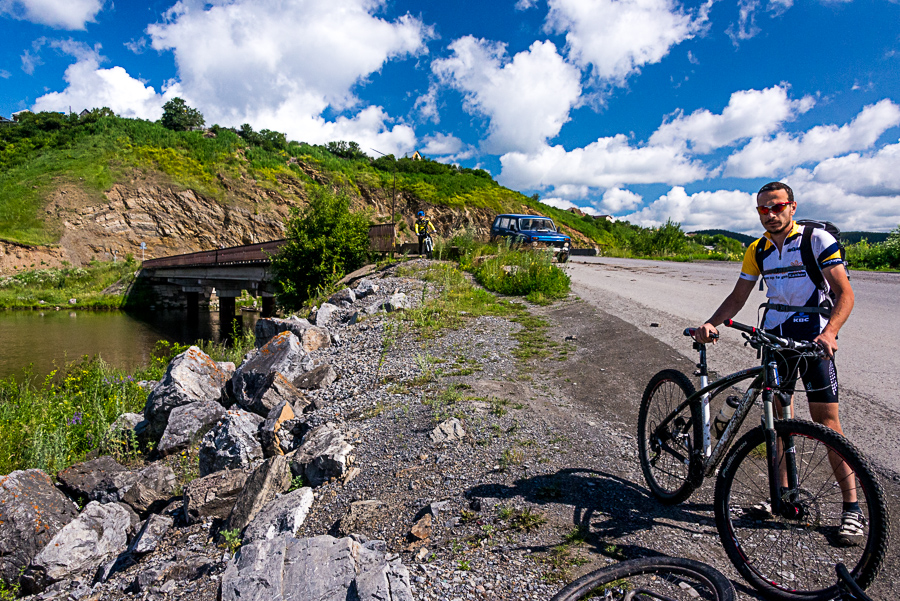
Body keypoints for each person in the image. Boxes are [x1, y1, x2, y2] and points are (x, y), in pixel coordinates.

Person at [694, 181, 861, 545]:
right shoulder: (759, 249)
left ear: (792, 206)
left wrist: (830, 333)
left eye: (777, 207)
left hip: (814, 341)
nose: (770, 215)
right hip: (775, 340)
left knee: (827, 423)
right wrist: (711, 322)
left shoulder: (816, 241)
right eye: (763, 210)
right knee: (778, 419)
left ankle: (852, 509)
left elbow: (844, 294)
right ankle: (781, 496)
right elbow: (739, 296)